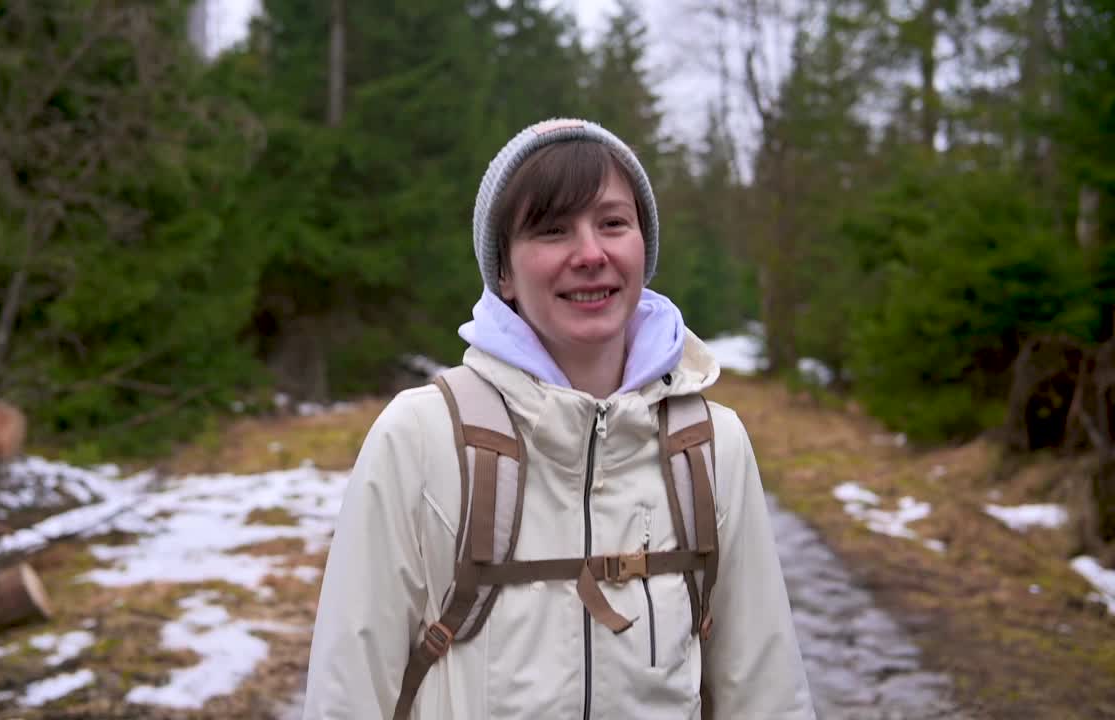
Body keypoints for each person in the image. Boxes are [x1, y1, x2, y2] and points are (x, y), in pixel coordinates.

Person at [302, 118, 814, 719]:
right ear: (504, 274)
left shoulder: (708, 445)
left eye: (613, 224)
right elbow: (349, 692)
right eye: (551, 230)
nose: (590, 253)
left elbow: (765, 690)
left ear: (642, 248)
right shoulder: (421, 437)